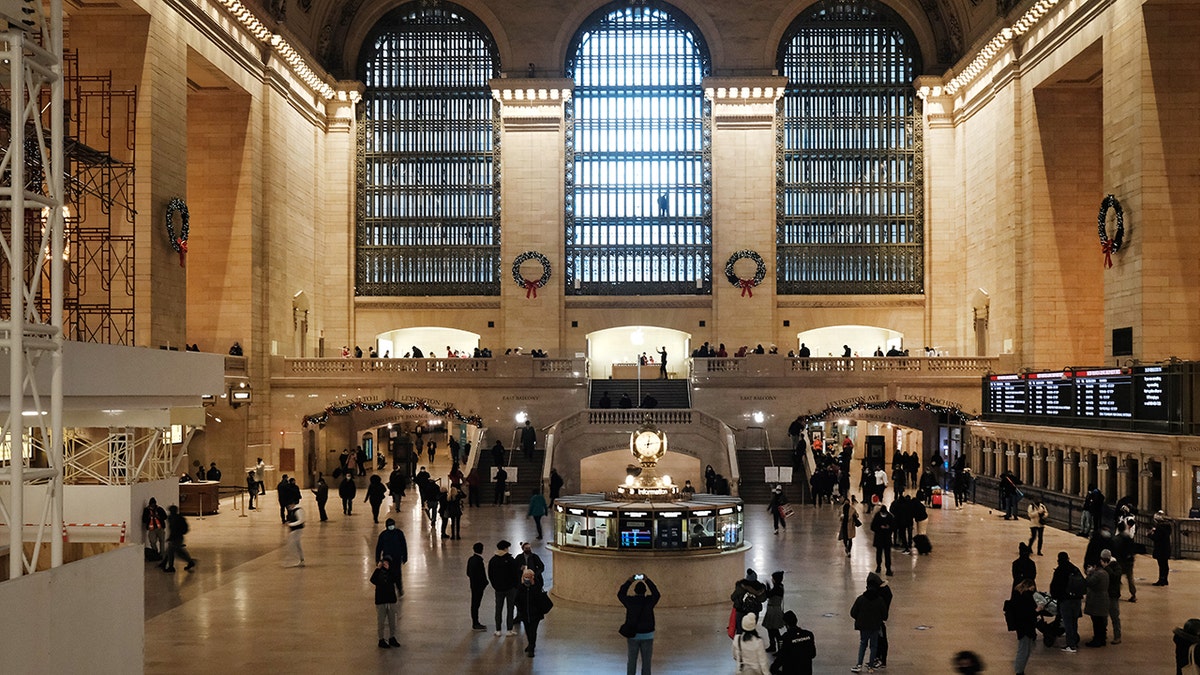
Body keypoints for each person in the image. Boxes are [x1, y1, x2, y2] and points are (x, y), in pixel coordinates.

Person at [619, 574, 661, 675]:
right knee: (646, 663)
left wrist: (629, 581)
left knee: (632, 661)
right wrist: (647, 580)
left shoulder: (630, 601)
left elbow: (620, 594)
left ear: (635, 591)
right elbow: (657, 594)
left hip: (633, 634)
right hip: (648, 634)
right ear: (645, 591)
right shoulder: (649, 601)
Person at [849, 574, 887, 672]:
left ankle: (859, 665)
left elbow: (853, 613)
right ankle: (870, 666)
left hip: (863, 626)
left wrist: (860, 619)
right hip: (875, 626)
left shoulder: (860, 599)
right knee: (873, 646)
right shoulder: (880, 600)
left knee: (863, 644)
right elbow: (885, 615)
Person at [1050, 551, 1084, 652]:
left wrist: (1055, 596)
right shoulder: (1074, 568)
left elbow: (1054, 586)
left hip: (1066, 600)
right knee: (1074, 622)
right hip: (1077, 599)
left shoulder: (1060, 570)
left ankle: (1071, 645)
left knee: (1067, 623)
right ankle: (1074, 642)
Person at [514, 568, 551, 657]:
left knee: (533, 631)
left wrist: (533, 587)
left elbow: (539, 599)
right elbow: (517, 600)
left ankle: (531, 647)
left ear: (532, 578)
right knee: (527, 630)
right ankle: (530, 644)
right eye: (525, 577)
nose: (527, 579)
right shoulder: (521, 588)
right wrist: (520, 609)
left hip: (535, 615)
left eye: (528, 577)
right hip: (525, 614)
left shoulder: (537, 587)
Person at [1007, 578, 1040, 674]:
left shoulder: (1018, 596)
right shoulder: (1027, 597)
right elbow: (1029, 613)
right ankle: (1019, 670)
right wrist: (1037, 610)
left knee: (1024, 649)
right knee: (1024, 650)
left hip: (1021, 626)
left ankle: (1019, 669)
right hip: (1026, 627)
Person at [488, 540, 520, 637]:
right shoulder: (510, 560)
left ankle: (498, 630)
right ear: (506, 548)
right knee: (510, 609)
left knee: (498, 609)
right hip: (510, 589)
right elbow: (516, 574)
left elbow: (490, 575)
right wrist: (515, 586)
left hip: (498, 589)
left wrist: (495, 586)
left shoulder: (493, 560)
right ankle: (509, 629)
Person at [770, 610, 816, 675]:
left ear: (786, 624)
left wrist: (773, 669)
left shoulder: (785, 638)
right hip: (806, 671)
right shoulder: (809, 635)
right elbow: (813, 654)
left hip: (791, 671)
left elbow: (781, 658)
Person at [370, 557, 401, 649]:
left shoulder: (392, 572)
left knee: (392, 620)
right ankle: (381, 639)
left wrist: (389, 569)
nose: (385, 564)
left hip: (391, 600)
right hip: (381, 600)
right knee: (381, 621)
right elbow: (373, 580)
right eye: (383, 562)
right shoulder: (378, 572)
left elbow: (396, 579)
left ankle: (392, 637)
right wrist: (378, 569)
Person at [375, 517, 408, 597]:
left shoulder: (399, 533)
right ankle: (391, 591)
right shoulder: (383, 535)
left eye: (392, 525)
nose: (391, 527)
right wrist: (378, 559)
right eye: (389, 525)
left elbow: (404, 545)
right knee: (388, 575)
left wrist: (405, 556)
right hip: (387, 559)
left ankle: (399, 588)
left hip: (397, 558)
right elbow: (379, 548)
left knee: (397, 574)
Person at [161, 504, 196, 573]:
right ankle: (189, 561)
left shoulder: (174, 518)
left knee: (173, 551)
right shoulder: (174, 518)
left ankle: (170, 566)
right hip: (176, 537)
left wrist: (172, 537)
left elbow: (174, 529)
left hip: (177, 538)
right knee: (174, 551)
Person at [1083, 557, 1110, 647]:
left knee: (1096, 621)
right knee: (1101, 621)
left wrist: (1088, 574)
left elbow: (1088, 583)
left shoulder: (1097, 574)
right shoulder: (1105, 573)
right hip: (1104, 598)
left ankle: (1097, 639)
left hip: (1097, 600)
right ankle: (1102, 638)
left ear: (1095, 566)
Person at [1100, 549, 1123, 644]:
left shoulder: (1116, 567)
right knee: (1103, 616)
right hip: (1105, 594)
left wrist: (1107, 568)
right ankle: (1103, 634)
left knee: (1114, 616)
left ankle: (1117, 636)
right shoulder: (1103, 566)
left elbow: (1115, 578)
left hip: (1112, 594)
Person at [1111, 521, 1137, 601]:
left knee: (1117, 578)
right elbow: (1133, 549)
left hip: (1120, 561)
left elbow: (1114, 551)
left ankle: (1117, 593)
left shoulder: (1116, 539)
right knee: (1130, 578)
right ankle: (1133, 594)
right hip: (1129, 561)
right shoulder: (1129, 538)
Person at [467, 542, 489, 630]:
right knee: (476, 604)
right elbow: (481, 574)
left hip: (473, 585)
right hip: (478, 586)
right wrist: (484, 583)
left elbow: (468, 572)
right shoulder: (479, 561)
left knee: (474, 604)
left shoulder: (471, 559)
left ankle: (475, 622)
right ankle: (475, 623)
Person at [762, 571, 786, 653]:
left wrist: (767, 587)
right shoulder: (780, 587)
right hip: (775, 609)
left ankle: (778, 647)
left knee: (774, 630)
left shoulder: (777, 589)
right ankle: (773, 646)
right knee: (771, 629)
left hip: (773, 611)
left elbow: (768, 594)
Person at [870, 503, 894, 576]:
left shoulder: (877, 516)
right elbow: (893, 527)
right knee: (887, 554)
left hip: (879, 538)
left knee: (879, 553)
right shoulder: (890, 516)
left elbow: (872, 527)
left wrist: (880, 528)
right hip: (886, 538)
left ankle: (879, 567)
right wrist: (887, 528)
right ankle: (888, 569)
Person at [1151, 510, 1172, 586]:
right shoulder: (1167, 527)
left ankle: (1161, 579)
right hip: (1166, 548)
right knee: (1165, 564)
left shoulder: (1159, 528)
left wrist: (1150, 535)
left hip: (1160, 548)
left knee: (1161, 565)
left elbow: (1156, 537)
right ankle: (1165, 579)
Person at [284, 501, 304, 567]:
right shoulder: (292, 511)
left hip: (298, 529)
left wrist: (290, 524)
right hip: (293, 530)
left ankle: (295, 560)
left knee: (293, 544)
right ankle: (300, 558)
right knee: (296, 544)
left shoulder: (298, 510)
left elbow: (301, 520)